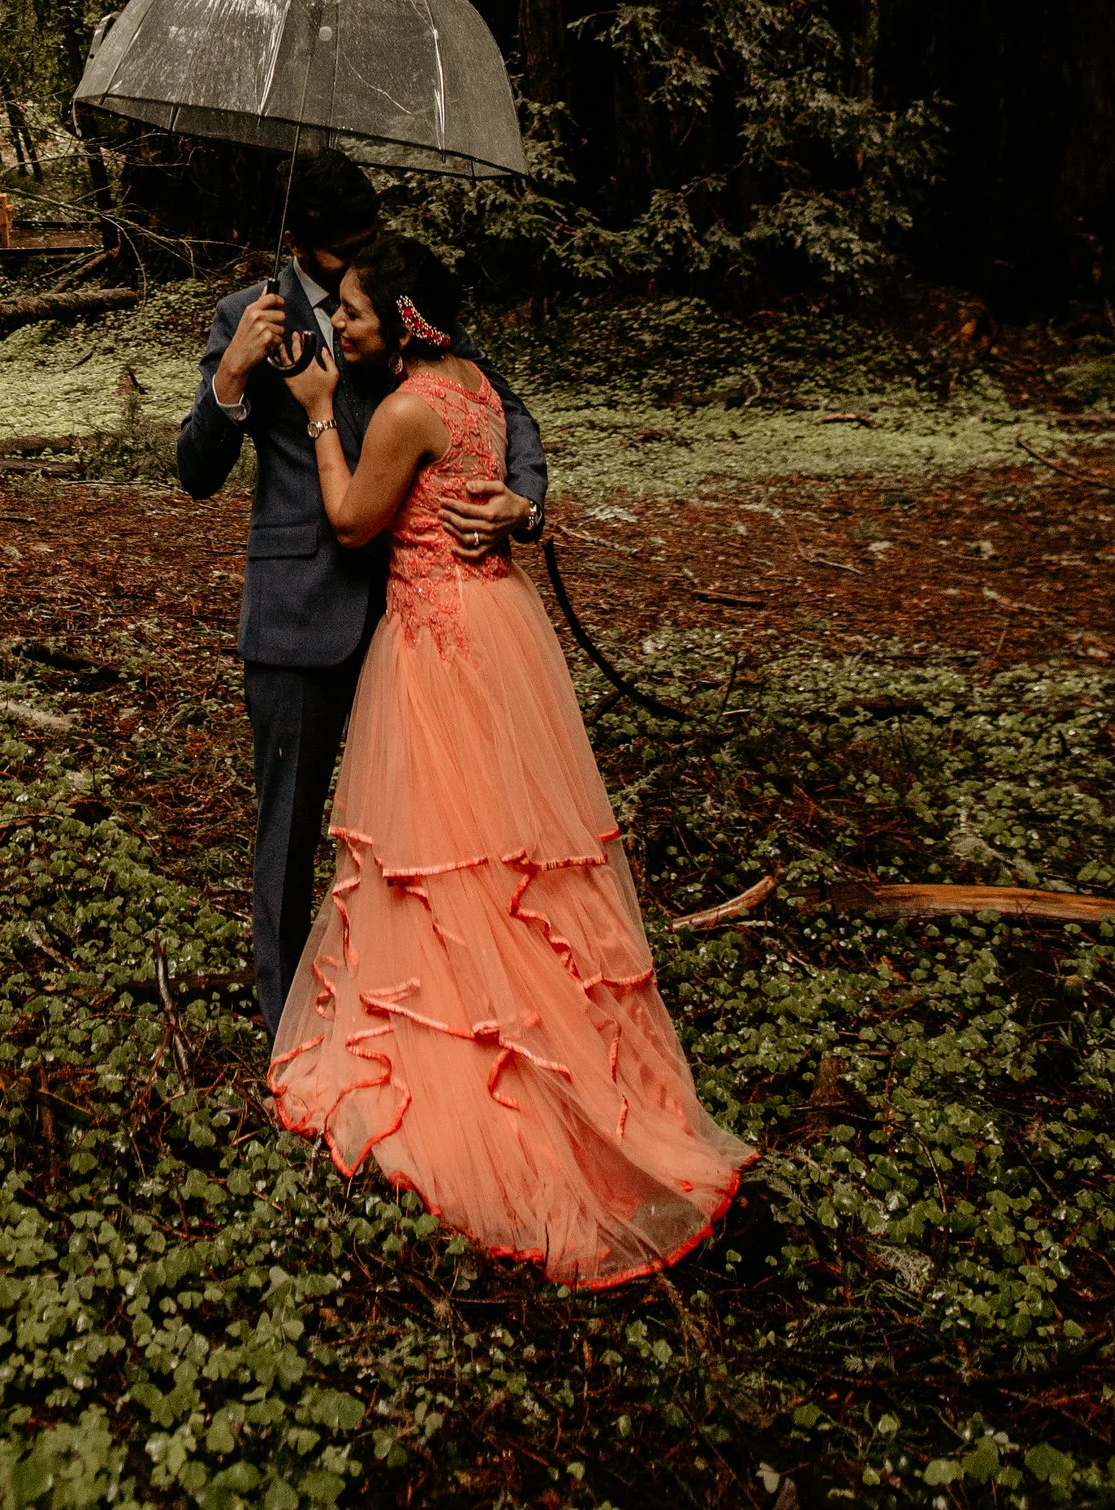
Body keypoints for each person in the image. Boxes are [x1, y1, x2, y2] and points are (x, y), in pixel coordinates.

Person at [269, 243, 752, 1286]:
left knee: (440, 849)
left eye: (352, 313)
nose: (340, 327)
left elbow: (355, 521)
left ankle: (477, 1061)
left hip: (435, 646)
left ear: (402, 323)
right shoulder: (475, 387)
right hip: (499, 631)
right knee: (512, 846)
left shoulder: (400, 411)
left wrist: (316, 409)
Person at [175, 155, 548, 1042]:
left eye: (366, 247)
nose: (356, 267)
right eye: (344, 250)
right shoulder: (245, 317)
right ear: (303, 240)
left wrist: (521, 502)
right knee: (289, 834)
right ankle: (284, 1027)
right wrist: (230, 379)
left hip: (417, 620)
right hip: (299, 610)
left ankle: (407, 1010)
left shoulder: (394, 296)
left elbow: (506, 409)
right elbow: (195, 473)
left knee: (419, 833)